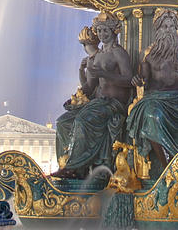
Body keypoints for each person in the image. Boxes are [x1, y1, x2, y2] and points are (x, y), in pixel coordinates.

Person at [126, 9, 178, 175]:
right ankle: (168, 168)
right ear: (158, 29)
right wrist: (137, 80)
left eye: (172, 26)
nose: (169, 30)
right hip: (157, 98)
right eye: (165, 26)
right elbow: (144, 79)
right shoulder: (148, 54)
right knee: (152, 116)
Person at [52, 12, 133, 178]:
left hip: (114, 104)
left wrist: (105, 73)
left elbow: (129, 79)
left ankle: (74, 168)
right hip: (97, 103)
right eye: (100, 31)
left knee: (82, 121)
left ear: (113, 32)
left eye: (106, 31)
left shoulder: (119, 53)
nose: (102, 35)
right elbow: (90, 85)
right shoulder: (98, 57)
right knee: (63, 122)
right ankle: (65, 161)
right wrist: (76, 97)